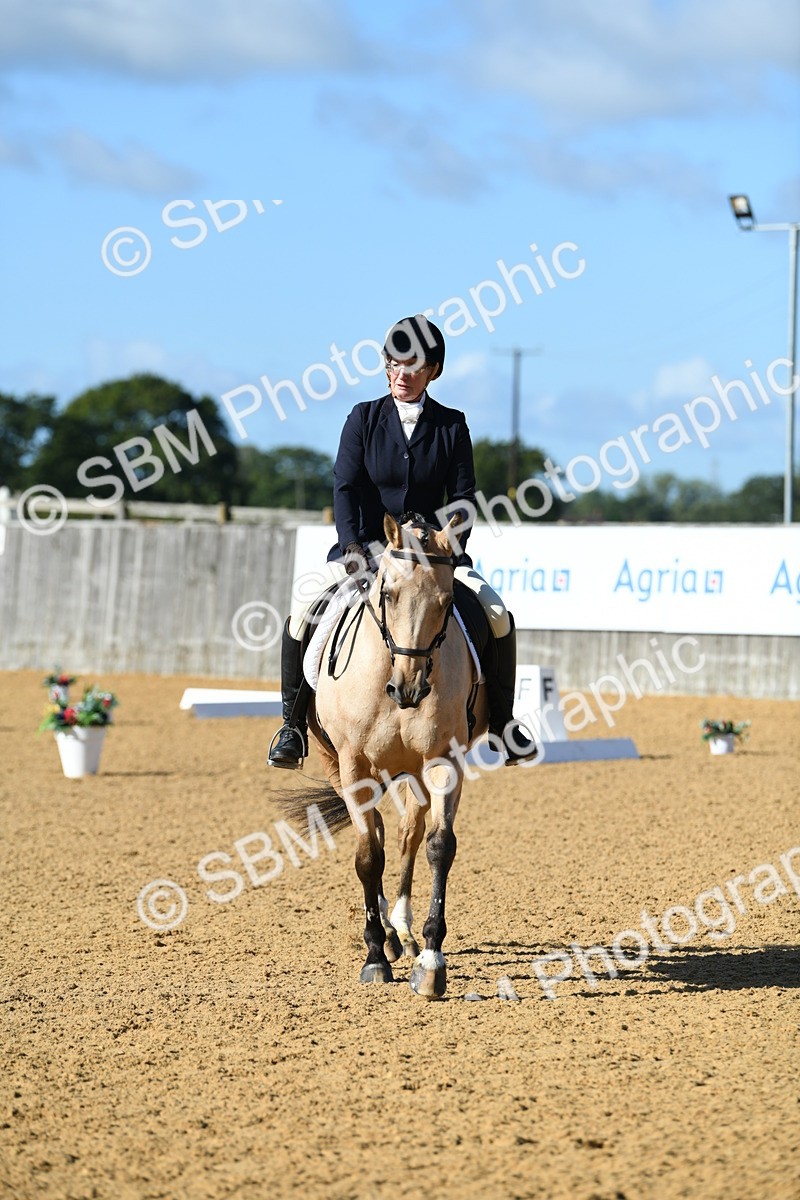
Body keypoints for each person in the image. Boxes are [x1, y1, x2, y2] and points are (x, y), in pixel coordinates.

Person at [268, 314, 537, 769]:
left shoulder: (452, 425)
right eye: (393, 365)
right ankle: (292, 726)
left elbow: (464, 497)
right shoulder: (364, 418)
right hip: (370, 551)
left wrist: (448, 544)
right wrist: (352, 547)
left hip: (433, 556)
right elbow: (345, 487)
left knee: (496, 613)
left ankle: (503, 724)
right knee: (303, 608)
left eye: (412, 367)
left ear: (433, 371)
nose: (401, 375)